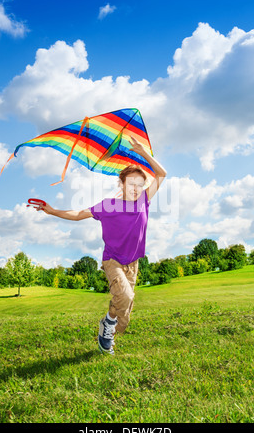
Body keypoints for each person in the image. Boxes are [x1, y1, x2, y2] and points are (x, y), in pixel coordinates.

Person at [35, 136, 167, 355]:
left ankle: (110, 327)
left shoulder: (144, 200)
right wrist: (53, 210)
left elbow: (162, 174)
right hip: (112, 260)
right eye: (131, 183)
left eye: (139, 184)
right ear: (122, 184)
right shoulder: (109, 206)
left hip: (133, 263)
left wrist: (143, 152)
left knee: (124, 317)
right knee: (125, 297)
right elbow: (79, 214)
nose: (135, 188)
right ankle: (108, 323)